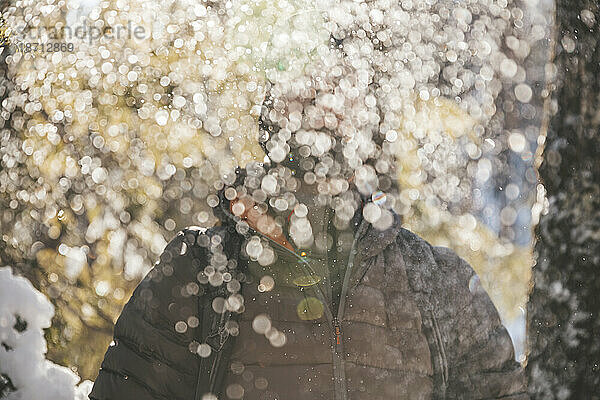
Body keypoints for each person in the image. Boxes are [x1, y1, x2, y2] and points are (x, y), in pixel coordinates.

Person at [89, 84, 529, 399]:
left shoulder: (436, 282)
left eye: (340, 82)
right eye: (302, 76)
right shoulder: (201, 271)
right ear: (271, 103)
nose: (321, 97)